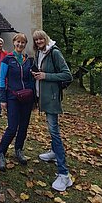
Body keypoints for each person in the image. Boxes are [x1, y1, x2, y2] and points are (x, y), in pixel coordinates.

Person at [31, 29, 73, 192]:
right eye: (36, 40)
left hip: (52, 98)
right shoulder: (39, 53)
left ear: (45, 38)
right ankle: (54, 152)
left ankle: (64, 174)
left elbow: (66, 75)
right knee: (52, 129)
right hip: (43, 97)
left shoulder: (54, 52)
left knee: (54, 131)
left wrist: (45, 76)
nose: (39, 41)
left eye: (41, 39)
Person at [0, 33, 35, 172]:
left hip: (27, 98)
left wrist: (34, 97)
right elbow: (1, 80)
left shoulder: (28, 60)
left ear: (25, 44)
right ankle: (1, 152)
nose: (20, 45)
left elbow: (31, 79)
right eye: (18, 42)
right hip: (12, 97)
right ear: (14, 43)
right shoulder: (7, 59)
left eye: (23, 42)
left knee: (24, 126)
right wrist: (2, 99)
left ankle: (19, 149)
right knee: (12, 127)